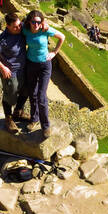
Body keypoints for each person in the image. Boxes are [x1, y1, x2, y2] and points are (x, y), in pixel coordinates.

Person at [22, 9, 65, 138]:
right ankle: (34, 119)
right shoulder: (25, 30)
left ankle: (45, 126)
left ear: (41, 22)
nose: (36, 24)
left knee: (41, 96)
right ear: (29, 21)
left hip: (44, 66)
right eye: (33, 22)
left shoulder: (45, 29)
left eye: (38, 22)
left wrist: (54, 52)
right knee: (32, 94)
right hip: (31, 64)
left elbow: (62, 37)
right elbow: (15, 28)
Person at [0, 11, 29, 132]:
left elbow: (34, 20)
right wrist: (2, 67)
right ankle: (8, 119)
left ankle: (18, 112)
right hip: (11, 72)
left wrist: (44, 25)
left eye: (19, 25)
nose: (19, 28)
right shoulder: (3, 39)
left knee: (26, 89)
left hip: (23, 68)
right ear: (8, 26)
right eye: (15, 27)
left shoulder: (21, 29)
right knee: (11, 94)